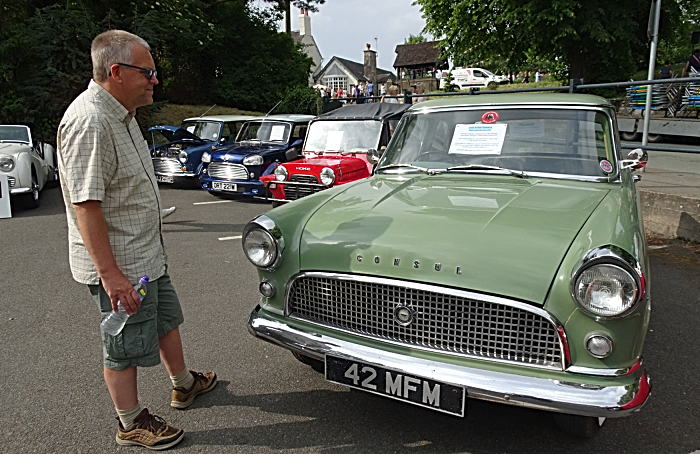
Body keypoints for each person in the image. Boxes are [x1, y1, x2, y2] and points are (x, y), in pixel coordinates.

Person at [56, 30, 217, 451]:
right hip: (121, 266)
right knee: (123, 345)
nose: (155, 79)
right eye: (147, 71)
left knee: (166, 319)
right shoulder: (90, 122)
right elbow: (85, 205)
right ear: (116, 71)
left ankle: (183, 385)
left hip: (145, 256)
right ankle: (130, 423)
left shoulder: (121, 114)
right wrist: (111, 277)